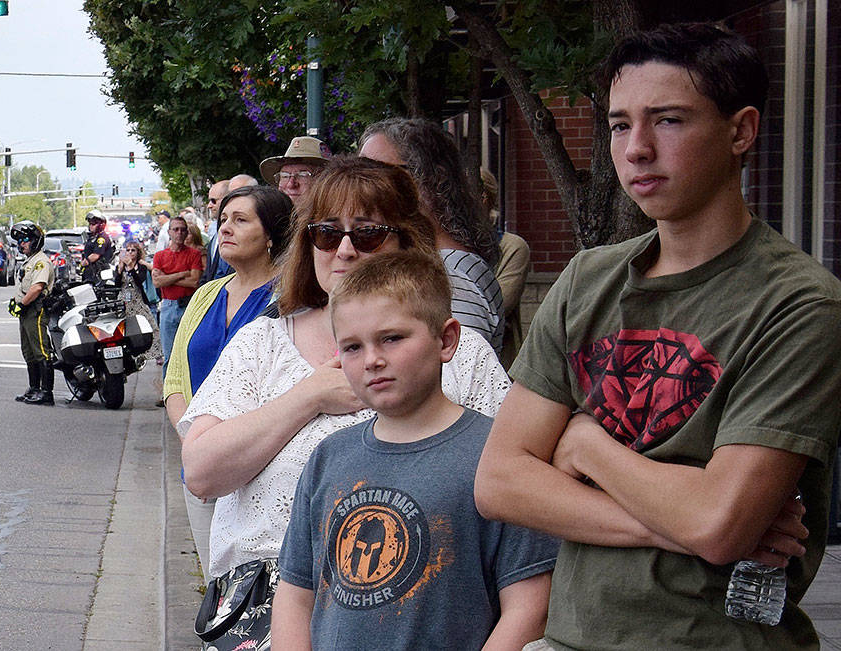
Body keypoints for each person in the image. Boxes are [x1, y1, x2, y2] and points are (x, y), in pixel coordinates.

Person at [473, 23, 841, 650]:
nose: (637, 148)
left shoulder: (798, 304)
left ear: (740, 131)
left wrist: (586, 447)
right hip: (568, 636)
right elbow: (500, 481)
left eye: (668, 120)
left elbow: (720, 522)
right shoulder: (589, 279)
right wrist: (676, 524)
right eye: (620, 125)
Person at [179, 157, 511, 597]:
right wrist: (307, 397)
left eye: (369, 233)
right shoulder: (262, 342)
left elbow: (509, 479)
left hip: (422, 604)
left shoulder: (457, 349)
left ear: (406, 242)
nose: (345, 250)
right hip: (270, 610)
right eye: (327, 233)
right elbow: (201, 472)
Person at [272, 250, 557, 650]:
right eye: (352, 347)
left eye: (392, 338)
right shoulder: (328, 457)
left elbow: (529, 606)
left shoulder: (499, 456)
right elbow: (295, 593)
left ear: (446, 339)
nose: (372, 360)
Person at [163, 185, 293, 579]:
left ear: (271, 233)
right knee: (216, 585)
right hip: (202, 467)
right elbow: (174, 379)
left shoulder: (292, 297)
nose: (226, 229)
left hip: (263, 468)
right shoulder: (206, 295)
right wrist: (196, 443)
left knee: (261, 590)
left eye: (241, 220)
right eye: (223, 221)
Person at [360, 119, 505, 354]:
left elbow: (459, 379)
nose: (361, 186)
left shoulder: (453, 279)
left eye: (377, 174)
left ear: (431, 179)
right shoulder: (438, 263)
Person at [482, 168, 530, 368]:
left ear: (483, 198)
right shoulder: (436, 245)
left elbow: (495, 308)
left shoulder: (512, 247)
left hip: (497, 366)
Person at [8, 221, 56, 406]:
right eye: (20, 240)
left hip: (36, 310)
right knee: (28, 351)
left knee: (41, 351)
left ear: (36, 241)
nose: (22, 244)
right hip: (26, 310)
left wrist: (23, 304)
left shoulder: (41, 262)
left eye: (25, 239)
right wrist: (16, 302)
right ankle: (34, 388)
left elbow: (37, 288)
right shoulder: (30, 261)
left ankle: (46, 392)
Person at [152, 216, 204, 369]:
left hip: (188, 305)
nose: (179, 233)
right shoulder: (160, 256)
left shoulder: (194, 254)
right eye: (176, 229)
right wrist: (182, 274)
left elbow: (194, 281)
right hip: (168, 306)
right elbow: (157, 282)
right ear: (169, 232)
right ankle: (167, 392)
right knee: (169, 356)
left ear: (187, 232)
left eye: (183, 230)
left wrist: (166, 278)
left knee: (190, 354)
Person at [115, 240, 163, 366]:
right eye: (128, 250)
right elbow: (116, 283)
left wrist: (131, 267)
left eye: (133, 250)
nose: (130, 252)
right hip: (124, 300)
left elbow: (139, 281)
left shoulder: (141, 266)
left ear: (138, 252)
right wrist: (120, 269)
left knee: (152, 326)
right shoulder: (120, 265)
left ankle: (157, 354)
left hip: (138, 300)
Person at [259, 135, 328, 205]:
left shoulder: (335, 215)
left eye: (302, 175)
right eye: (285, 176)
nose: (290, 184)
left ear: (324, 181)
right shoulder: (269, 214)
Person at [80, 209, 114, 283]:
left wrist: (83, 263)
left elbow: (95, 255)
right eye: (90, 224)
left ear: (100, 225)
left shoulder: (102, 238)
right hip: (91, 271)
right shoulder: (93, 237)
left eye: (93, 224)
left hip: (98, 272)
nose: (91, 226)